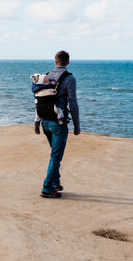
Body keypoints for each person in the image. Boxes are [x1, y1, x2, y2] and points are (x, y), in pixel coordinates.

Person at [36, 50, 80, 198]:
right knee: (56, 157)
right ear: (68, 63)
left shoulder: (46, 76)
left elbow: (38, 99)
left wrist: (37, 122)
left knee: (54, 154)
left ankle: (55, 182)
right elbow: (73, 103)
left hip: (44, 122)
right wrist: (77, 126)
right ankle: (47, 188)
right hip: (58, 124)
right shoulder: (70, 78)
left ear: (55, 62)